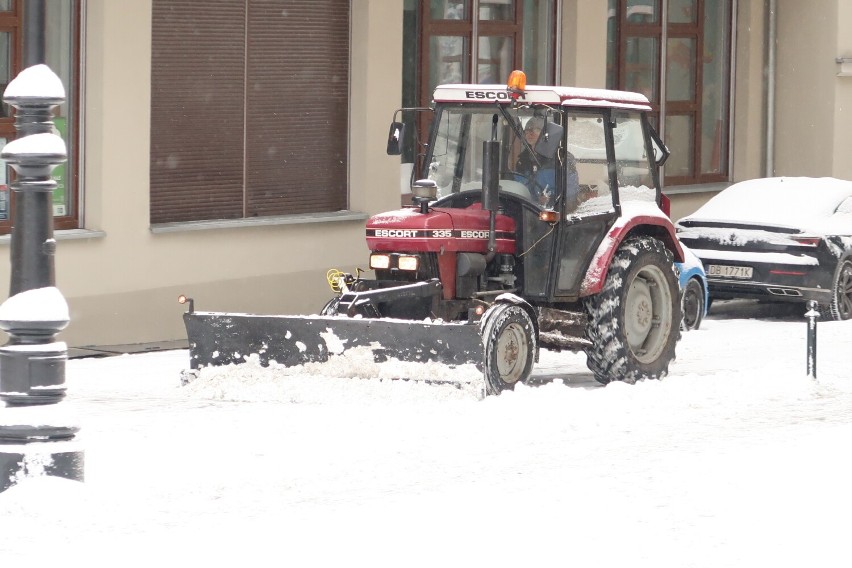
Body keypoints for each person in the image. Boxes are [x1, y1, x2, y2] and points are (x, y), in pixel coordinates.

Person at [514, 116, 556, 206]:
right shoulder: (522, 161)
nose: (530, 134)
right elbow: (519, 188)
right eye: (527, 131)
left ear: (546, 135)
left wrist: (551, 198)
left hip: (553, 211)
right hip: (527, 208)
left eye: (536, 130)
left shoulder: (559, 159)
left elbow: (569, 190)